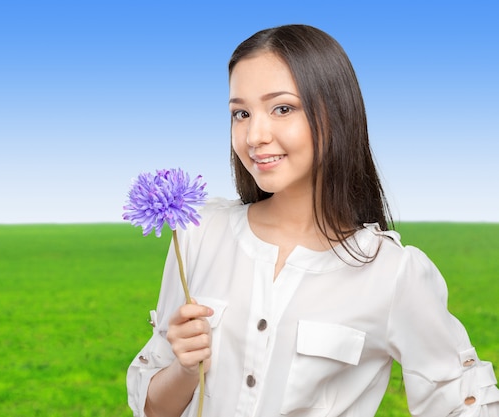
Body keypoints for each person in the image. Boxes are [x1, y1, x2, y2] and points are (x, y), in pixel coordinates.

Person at [126, 24, 499, 417]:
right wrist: (185, 369)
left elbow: (463, 403)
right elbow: (150, 409)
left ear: (336, 113)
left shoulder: (392, 274)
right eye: (241, 113)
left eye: (282, 108)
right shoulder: (198, 235)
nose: (254, 135)